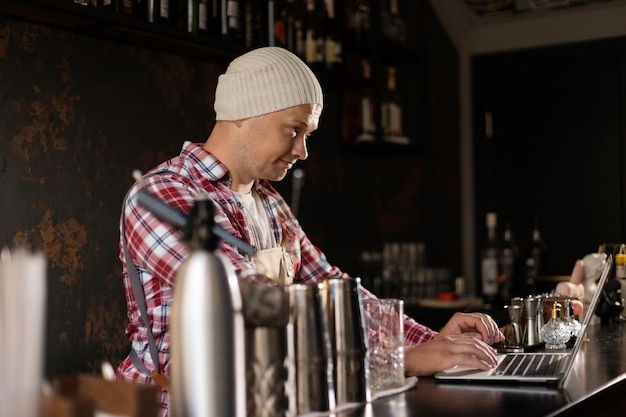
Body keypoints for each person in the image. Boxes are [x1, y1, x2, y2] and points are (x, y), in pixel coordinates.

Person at [116, 46, 504, 417]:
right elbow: (252, 305)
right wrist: (398, 361)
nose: (302, 150)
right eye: (294, 129)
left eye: (309, 134)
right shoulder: (163, 196)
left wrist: (430, 341)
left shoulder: (270, 202)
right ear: (241, 113)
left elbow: (331, 289)